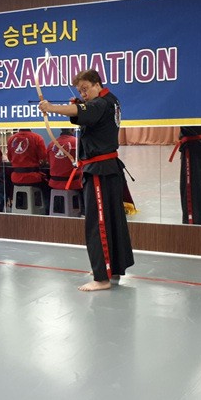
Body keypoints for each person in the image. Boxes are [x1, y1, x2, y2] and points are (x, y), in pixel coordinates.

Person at [39, 69, 134, 291]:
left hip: (100, 170)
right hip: (108, 168)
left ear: (97, 84)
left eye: (85, 89)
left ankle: (102, 278)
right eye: (80, 91)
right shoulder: (112, 101)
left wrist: (51, 108)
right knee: (112, 220)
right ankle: (112, 268)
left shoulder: (100, 104)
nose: (83, 94)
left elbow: (83, 110)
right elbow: (84, 111)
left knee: (97, 222)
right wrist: (80, 105)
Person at [6, 128, 49, 212]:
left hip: (16, 178)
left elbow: (10, 158)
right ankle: (45, 212)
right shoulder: (37, 138)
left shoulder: (11, 139)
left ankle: (18, 208)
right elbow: (44, 158)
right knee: (48, 187)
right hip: (33, 177)